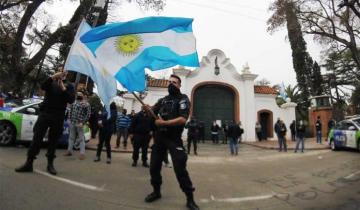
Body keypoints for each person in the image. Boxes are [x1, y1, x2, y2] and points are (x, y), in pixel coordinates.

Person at [143, 74, 199, 210]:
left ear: (179, 85)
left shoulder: (183, 99)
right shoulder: (162, 100)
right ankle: (156, 192)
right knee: (154, 167)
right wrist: (148, 109)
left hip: (174, 139)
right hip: (159, 138)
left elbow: (182, 119)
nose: (170, 84)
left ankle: (190, 199)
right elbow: (152, 111)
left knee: (180, 169)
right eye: (169, 82)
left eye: (174, 82)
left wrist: (164, 122)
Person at [15, 68, 75, 175]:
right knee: (37, 137)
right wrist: (53, 77)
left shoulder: (69, 86)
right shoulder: (50, 81)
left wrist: (63, 88)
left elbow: (71, 100)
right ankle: (29, 163)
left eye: (64, 71)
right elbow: (43, 86)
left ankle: (50, 164)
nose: (61, 72)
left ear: (66, 73)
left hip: (58, 115)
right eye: (59, 70)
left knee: (53, 141)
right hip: (45, 113)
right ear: (57, 71)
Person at [64, 91, 91, 160]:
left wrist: (83, 122)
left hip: (80, 123)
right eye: (78, 94)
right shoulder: (74, 103)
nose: (78, 95)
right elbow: (70, 111)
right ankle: (69, 151)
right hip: (73, 122)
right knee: (71, 137)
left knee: (81, 139)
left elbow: (88, 115)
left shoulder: (86, 104)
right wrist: (69, 119)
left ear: (82, 96)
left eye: (80, 94)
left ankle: (82, 153)